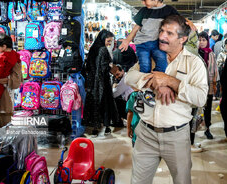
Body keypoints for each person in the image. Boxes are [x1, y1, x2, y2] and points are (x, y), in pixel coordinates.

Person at [125, 15, 208, 184]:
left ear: (182, 39)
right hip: (145, 134)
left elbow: (200, 98)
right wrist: (157, 83)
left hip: (176, 136)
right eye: (161, 31)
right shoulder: (151, 57)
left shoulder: (193, 63)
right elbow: (130, 77)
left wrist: (172, 82)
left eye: (169, 33)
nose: (162, 36)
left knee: (182, 180)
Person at [82, 30, 119, 135]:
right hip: (102, 82)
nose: (109, 43)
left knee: (94, 104)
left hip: (92, 82)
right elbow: (103, 68)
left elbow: (88, 66)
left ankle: (95, 128)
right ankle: (107, 127)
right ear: (103, 39)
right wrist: (110, 66)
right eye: (108, 41)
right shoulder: (103, 50)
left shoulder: (93, 49)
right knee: (105, 104)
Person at [198, 31, 219, 139]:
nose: (201, 42)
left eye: (204, 40)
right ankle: (193, 130)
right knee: (196, 108)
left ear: (207, 41)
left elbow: (215, 70)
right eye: (200, 40)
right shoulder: (195, 53)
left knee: (208, 107)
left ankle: (207, 129)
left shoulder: (211, 54)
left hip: (209, 85)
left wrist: (214, 84)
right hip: (197, 84)